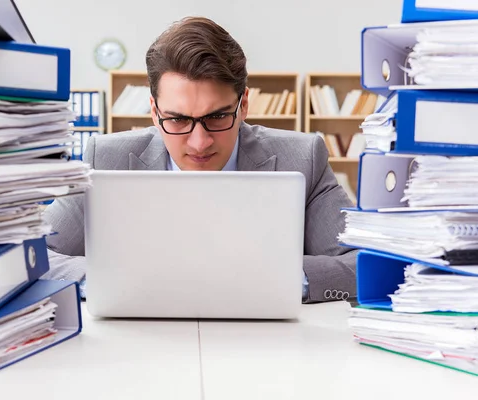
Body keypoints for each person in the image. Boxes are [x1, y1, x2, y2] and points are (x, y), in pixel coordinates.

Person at [43, 16, 358, 303]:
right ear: (154, 112)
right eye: (178, 120)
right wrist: (113, 277)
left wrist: (277, 277)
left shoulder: (304, 158)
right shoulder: (105, 159)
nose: (199, 142)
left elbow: (364, 264)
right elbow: (33, 257)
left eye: (218, 116)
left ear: (243, 105)